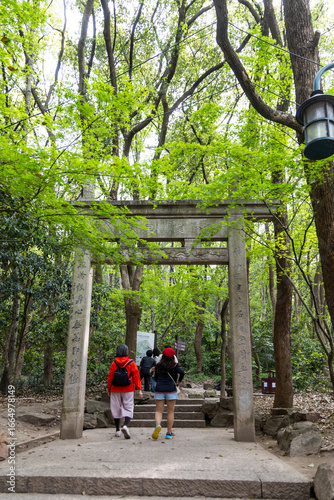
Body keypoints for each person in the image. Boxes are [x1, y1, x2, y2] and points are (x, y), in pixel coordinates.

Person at [108, 344, 143, 439]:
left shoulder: (114, 363)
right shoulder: (131, 363)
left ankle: (117, 430)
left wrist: (109, 389)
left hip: (115, 388)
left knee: (115, 408)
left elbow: (110, 377)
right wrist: (139, 389)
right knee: (128, 406)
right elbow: (136, 376)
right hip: (128, 388)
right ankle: (125, 426)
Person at [151, 347, 184, 440]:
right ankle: (169, 433)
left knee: (158, 411)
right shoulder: (175, 365)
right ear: (173, 356)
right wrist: (179, 382)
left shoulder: (158, 366)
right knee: (170, 412)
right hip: (171, 390)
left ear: (163, 356)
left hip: (159, 389)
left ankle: (158, 425)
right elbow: (182, 372)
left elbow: (156, 378)